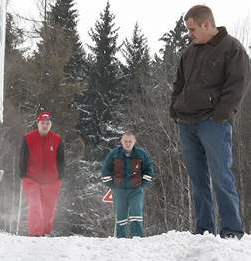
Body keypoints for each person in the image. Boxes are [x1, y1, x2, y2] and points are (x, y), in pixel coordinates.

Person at [170, 5, 250, 238]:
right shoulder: (189, 52)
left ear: (207, 24)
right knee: (197, 179)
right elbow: (179, 84)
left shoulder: (232, 48)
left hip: (213, 123)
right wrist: (174, 109)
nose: (189, 34)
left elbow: (238, 84)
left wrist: (221, 116)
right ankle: (203, 230)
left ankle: (232, 230)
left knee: (221, 176)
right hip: (186, 123)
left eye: (192, 29)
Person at [100, 131, 154, 238]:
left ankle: (137, 237)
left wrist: (141, 185)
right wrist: (113, 186)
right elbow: (105, 171)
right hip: (119, 191)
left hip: (136, 190)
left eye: (130, 141)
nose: (128, 143)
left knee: (136, 213)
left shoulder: (141, 154)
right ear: (121, 141)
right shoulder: (114, 154)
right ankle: (121, 239)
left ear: (134, 142)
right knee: (120, 215)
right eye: (125, 141)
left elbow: (149, 170)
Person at [19, 112, 65, 236]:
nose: (45, 125)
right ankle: (36, 233)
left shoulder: (57, 139)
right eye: (42, 123)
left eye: (47, 123)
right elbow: (23, 157)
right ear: (38, 123)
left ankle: (45, 232)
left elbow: (61, 159)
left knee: (48, 209)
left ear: (51, 125)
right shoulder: (28, 138)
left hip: (52, 180)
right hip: (31, 178)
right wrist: (23, 174)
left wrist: (60, 177)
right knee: (35, 206)